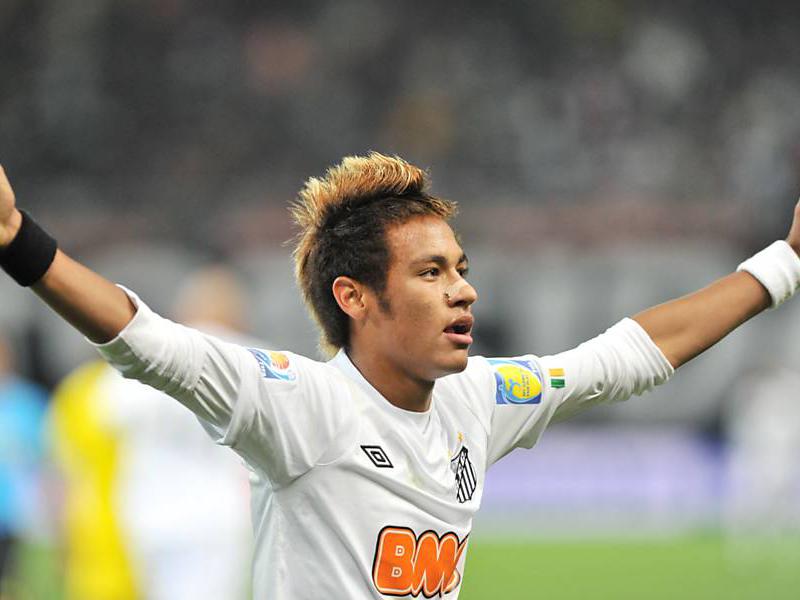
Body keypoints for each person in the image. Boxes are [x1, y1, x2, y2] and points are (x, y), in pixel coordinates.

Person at [0, 154, 799, 599]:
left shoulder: (479, 399)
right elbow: (145, 339)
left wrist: (786, 263)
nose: (464, 290)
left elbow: (622, 359)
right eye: (430, 272)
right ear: (356, 297)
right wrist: (15, 237)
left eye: (461, 268)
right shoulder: (299, 406)